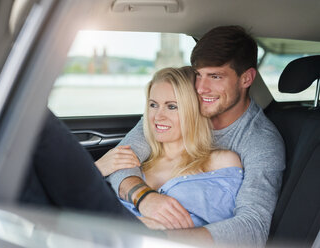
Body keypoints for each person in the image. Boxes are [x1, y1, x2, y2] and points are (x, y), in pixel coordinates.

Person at [98, 25, 286, 247]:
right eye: (198, 74)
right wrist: (145, 198)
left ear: (246, 79)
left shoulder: (260, 143)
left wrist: (159, 239)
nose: (201, 88)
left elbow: (253, 226)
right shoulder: (181, 101)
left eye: (215, 76)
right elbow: (122, 159)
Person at [97, 66, 244, 230]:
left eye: (172, 106)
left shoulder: (220, 162)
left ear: (194, 110)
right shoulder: (136, 160)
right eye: (153, 105)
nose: (158, 116)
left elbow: (219, 234)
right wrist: (97, 169)